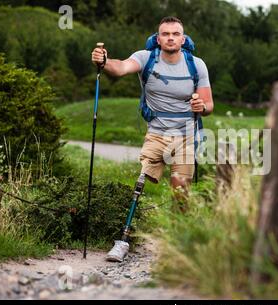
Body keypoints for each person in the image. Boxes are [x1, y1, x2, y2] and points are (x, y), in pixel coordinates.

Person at [91, 16, 214, 261]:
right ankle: (123, 241)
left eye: (175, 34)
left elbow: (209, 105)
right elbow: (121, 67)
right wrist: (104, 61)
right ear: (158, 39)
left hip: (187, 135)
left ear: (183, 38)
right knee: (140, 183)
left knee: (181, 191)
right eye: (165, 34)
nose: (170, 37)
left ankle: (178, 243)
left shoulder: (196, 65)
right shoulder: (146, 58)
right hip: (157, 132)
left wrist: (201, 106)